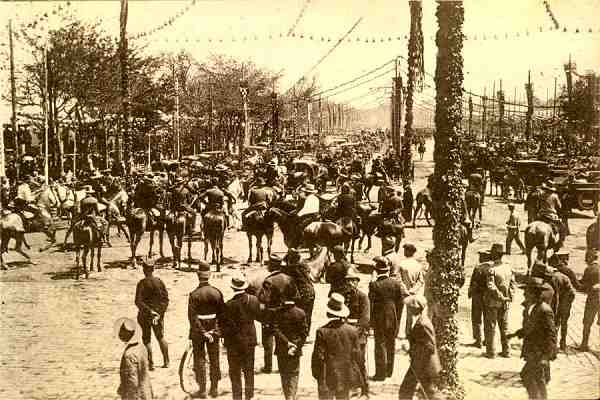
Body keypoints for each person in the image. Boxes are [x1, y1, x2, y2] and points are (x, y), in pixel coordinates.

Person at [511, 278, 557, 400]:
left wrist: (546, 357)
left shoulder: (544, 310)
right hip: (533, 351)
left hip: (539, 352)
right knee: (534, 378)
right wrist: (516, 334)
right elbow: (532, 327)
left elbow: (552, 334)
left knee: (532, 377)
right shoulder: (534, 307)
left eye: (527, 291)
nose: (524, 293)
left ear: (533, 293)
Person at [311, 293, 364, 400]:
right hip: (346, 374)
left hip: (327, 375)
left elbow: (318, 357)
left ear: (328, 313)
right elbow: (358, 356)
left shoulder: (322, 331)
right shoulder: (352, 331)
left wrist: (317, 375)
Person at [220, 272, 263, 400]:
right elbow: (260, 317)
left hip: (233, 343)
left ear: (233, 288)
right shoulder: (253, 300)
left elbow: (224, 326)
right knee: (249, 371)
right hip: (249, 341)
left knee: (235, 373)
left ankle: (237, 397)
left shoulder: (228, 305)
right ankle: (249, 396)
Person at [188, 262, 225, 398]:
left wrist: (203, 332)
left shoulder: (194, 295)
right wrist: (214, 331)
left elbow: (192, 318)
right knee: (214, 358)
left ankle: (202, 389)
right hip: (213, 331)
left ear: (198, 275)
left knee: (199, 359)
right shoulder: (217, 293)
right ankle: (214, 388)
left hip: (199, 332)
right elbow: (222, 315)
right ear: (209, 275)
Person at [258, 254, 299, 373]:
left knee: (268, 340)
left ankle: (268, 366)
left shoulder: (268, 281)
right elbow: (296, 296)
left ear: (272, 265)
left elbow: (264, 299)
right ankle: (284, 366)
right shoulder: (288, 278)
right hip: (286, 312)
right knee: (284, 338)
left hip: (271, 314)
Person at [368, 256, 408, 380]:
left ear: (376, 270)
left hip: (379, 318)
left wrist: (371, 322)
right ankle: (389, 371)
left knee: (380, 344)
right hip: (393, 316)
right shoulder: (396, 284)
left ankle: (380, 374)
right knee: (391, 343)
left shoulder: (374, 285)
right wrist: (398, 318)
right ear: (388, 269)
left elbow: (371, 303)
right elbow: (401, 303)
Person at [398, 295, 441, 400]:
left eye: (409, 307)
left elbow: (429, 347)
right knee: (413, 391)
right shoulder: (420, 320)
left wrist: (410, 349)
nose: (407, 309)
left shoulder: (423, 323)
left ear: (415, 308)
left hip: (424, 365)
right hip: (421, 364)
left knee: (408, 391)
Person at [272, 292, 308, 400]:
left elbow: (275, 329)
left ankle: (288, 396)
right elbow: (304, 333)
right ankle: (292, 396)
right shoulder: (301, 313)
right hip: (295, 349)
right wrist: (295, 345)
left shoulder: (277, 312)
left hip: (282, 348)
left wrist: (287, 343)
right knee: (294, 373)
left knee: (284, 374)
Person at [135, 261, 170, 370]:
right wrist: (159, 313)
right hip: (158, 316)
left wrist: (150, 311)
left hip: (145, 316)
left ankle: (151, 364)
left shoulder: (142, 283)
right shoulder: (159, 282)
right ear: (153, 269)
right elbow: (166, 300)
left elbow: (138, 301)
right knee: (160, 337)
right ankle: (166, 361)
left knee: (146, 339)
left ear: (144, 270)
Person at [482, 243, 514, 358]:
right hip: (505, 303)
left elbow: (491, 286)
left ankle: (491, 352)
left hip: (493, 302)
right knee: (504, 327)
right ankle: (507, 351)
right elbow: (512, 285)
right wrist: (508, 298)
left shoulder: (491, 270)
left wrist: (500, 297)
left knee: (490, 327)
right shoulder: (508, 268)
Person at [342, 268, 370, 397]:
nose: (350, 284)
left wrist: (354, 333)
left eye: (352, 281)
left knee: (360, 362)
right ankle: (349, 387)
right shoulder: (342, 296)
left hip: (358, 335)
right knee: (346, 362)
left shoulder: (363, 297)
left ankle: (365, 389)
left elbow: (365, 319)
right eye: (348, 281)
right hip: (345, 334)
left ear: (357, 282)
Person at [115, 317, 153, 400]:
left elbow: (132, 381)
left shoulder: (128, 355)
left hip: (135, 394)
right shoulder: (141, 347)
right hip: (146, 389)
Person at [396, 243, 425, 337]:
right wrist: (413, 290)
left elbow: (399, 280)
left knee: (399, 312)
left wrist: (405, 290)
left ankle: (397, 332)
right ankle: (408, 332)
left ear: (408, 251)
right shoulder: (418, 265)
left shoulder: (401, 264)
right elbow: (421, 281)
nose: (404, 252)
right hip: (413, 292)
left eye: (405, 250)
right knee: (411, 313)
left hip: (403, 292)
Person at [284, 248, 316, 333]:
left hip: (302, 293)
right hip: (311, 291)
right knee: (308, 314)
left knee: (300, 313)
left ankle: (301, 332)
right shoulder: (304, 265)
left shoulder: (291, 268)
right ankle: (306, 332)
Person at [578, 250, 600, 352]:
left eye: (587, 257)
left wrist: (576, 283)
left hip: (593, 298)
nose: (586, 259)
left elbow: (584, 286)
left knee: (587, 322)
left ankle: (584, 344)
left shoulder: (589, 269)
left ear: (591, 258)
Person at [468, 250, 489, 348]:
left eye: (481, 256)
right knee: (487, 319)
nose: (479, 258)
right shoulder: (491, 268)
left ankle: (478, 340)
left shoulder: (478, 268)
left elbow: (473, 281)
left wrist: (470, 292)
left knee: (476, 318)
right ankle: (487, 339)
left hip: (477, 296)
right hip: (487, 297)